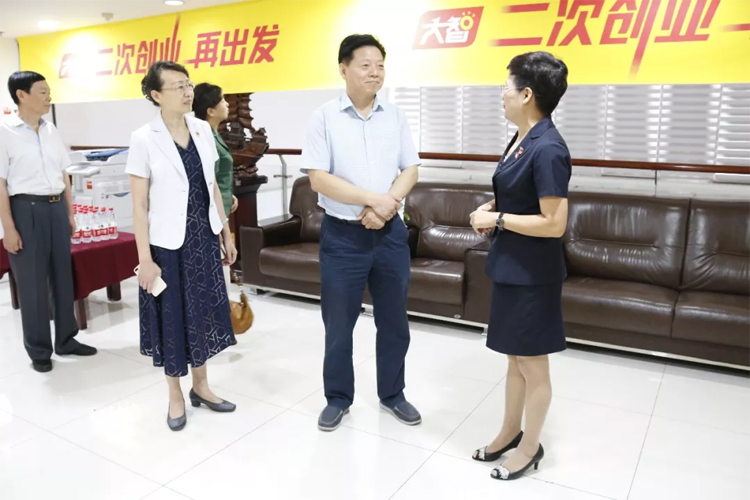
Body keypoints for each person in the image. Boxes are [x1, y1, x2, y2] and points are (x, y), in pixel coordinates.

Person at [301, 34, 421, 432]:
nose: (375, 72)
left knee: (394, 321)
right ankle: (337, 398)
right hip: (343, 237)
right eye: (366, 65)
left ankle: (393, 394)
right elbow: (319, 179)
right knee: (338, 324)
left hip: (390, 235)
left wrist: (387, 206)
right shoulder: (323, 117)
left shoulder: (395, 115)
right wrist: (375, 200)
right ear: (344, 69)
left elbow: (410, 169)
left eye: (380, 66)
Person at [468, 51, 571, 481]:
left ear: (527, 94)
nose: (502, 93)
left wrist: (498, 219)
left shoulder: (549, 148)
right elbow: (519, 194)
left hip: (533, 275)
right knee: (514, 360)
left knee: (533, 364)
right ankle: (509, 432)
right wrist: (492, 207)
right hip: (511, 266)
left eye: (506, 86)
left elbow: (554, 223)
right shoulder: (522, 138)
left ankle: (530, 446)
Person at [126, 61, 238, 432]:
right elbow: (139, 205)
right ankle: (175, 395)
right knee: (172, 317)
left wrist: (225, 232)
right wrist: (144, 259)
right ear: (156, 95)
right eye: (178, 86)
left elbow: (211, 186)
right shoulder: (144, 138)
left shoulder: (202, 129)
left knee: (201, 313)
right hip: (166, 246)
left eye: (188, 84)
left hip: (202, 238)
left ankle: (201, 387)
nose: (188, 92)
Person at [0, 71, 97, 373]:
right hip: (25, 209)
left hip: (55, 208)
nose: (49, 97)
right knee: (32, 283)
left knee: (62, 276)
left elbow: (63, 174)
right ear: (21, 95)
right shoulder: (5, 131)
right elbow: (0, 183)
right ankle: (39, 350)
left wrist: (69, 213)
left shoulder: (51, 129)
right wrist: (8, 228)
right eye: (42, 91)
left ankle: (66, 339)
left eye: (48, 91)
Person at [192, 83, 238, 292]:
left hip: (223, 210)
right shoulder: (205, 136)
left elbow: (220, 175)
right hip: (213, 217)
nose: (227, 104)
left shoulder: (214, 134)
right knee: (215, 278)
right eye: (222, 100)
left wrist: (230, 194)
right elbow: (208, 181)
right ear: (210, 110)